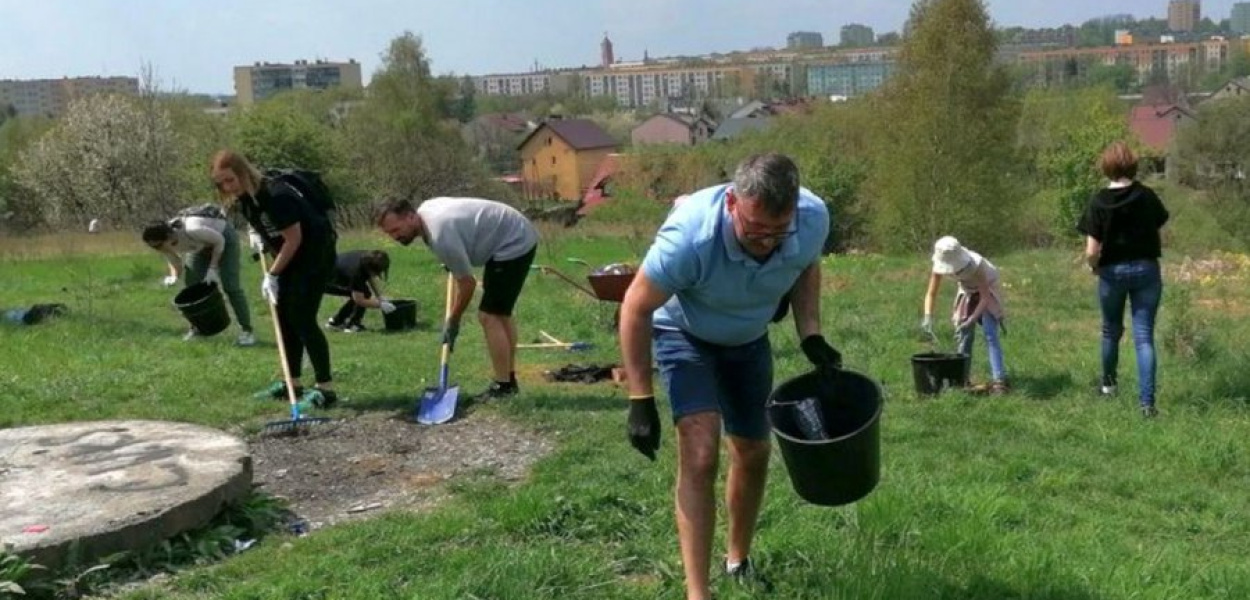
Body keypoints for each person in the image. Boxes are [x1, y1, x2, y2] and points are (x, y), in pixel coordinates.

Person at [618, 153, 837, 600]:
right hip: (685, 331)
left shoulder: (811, 219)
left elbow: (806, 264)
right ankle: (698, 593)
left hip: (748, 337)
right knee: (700, 453)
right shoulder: (690, 237)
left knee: (754, 451)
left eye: (779, 232)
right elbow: (635, 307)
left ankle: (737, 560)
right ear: (733, 203)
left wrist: (810, 332)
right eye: (756, 230)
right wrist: (640, 398)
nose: (767, 243)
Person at [374, 196, 538, 400]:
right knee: (501, 313)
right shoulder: (426, 212)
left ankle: (503, 386)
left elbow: (467, 284)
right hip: (508, 233)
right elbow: (460, 235)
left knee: (490, 316)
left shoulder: (440, 233)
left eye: (396, 230)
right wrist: (453, 260)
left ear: (410, 216)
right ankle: (508, 381)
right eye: (389, 233)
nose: (394, 237)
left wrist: (454, 319)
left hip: (513, 241)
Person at [210, 149, 338, 408]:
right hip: (290, 257)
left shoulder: (277, 195)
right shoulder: (246, 199)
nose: (227, 187)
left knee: (302, 317)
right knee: (283, 319)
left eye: (230, 180)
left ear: (243, 173)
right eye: (221, 183)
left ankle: (326, 389)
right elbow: (271, 231)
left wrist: (273, 274)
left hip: (314, 257)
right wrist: (260, 238)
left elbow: (294, 239)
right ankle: (292, 383)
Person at [1077, 141, 1169, 418]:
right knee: (1144, 337)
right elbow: (1159, 223)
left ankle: (1108, 387)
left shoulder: (1098, 201)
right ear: (1133, 165)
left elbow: (1091, 250)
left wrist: (1095, 268)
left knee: (1110, 331)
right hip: (1146, 270)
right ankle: (1147, 404)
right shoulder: (1147, 196)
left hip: (1112, 273)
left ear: (1106, 167)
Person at [141, 206, 255, 346]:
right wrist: (174, 277)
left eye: (158, 245)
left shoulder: (192, 229)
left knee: (231, 286)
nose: (157, 249)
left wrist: (213, 268)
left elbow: (219, 241)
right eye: (154, 247)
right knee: (192, 285)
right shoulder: (164, 244)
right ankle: (197, 329)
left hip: (224, 239)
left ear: (169, 237)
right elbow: (175, 261)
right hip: (200, 247)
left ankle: (247, 331)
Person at [922, 236, 1009, 394]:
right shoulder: (939, 266)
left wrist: (972, 319)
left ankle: (999, 380)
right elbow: (931, 293)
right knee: (964, 334)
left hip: (988, 290)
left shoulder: (975, 265)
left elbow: (984, 297)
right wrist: (928, 316)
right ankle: (962, 378)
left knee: (990, 334)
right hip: (967, 291)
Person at [325, 249, 397, 332]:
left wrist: (379, 296)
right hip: (324, 281)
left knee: (365, 293)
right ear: (370, 269)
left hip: (334, 270)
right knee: (364, 294)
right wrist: (380, 305)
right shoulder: (356, 273)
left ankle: (336, 322)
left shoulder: (368, 258)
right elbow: (360, 300)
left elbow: (369, 276)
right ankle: (352, 326)